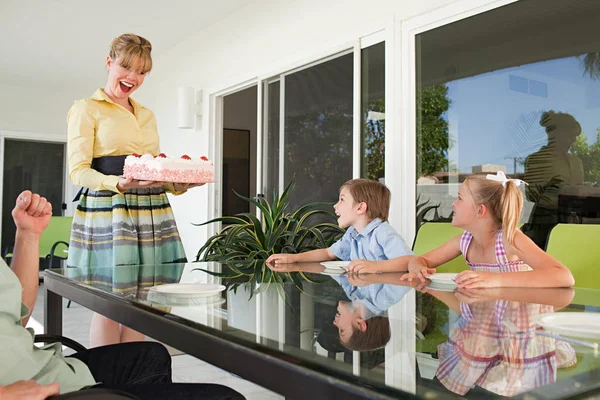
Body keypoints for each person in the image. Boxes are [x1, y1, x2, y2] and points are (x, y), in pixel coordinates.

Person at [0, 190, 243, 399]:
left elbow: (12, 315)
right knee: (227, 398)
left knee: (151, 356)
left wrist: (28, 236)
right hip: (31, 389)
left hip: (42, 369)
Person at [67, 33, 202, 347]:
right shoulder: (87, 108)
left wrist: (178, 184)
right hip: (110, 209)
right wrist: (118, 183)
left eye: (141, 72)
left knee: (144, 304)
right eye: (126, 67)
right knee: (110, 303)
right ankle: (108, 386)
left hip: (152, 210)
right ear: (109, 61)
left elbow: (151, 170)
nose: (133, 77)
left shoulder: (147, 115)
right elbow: (78, 171)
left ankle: (134, 382)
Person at [401, 171, 575, 288]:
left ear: (480, 210)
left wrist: (495, 279)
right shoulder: (464, 241)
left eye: (460, 198)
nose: (454, 203)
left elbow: (563, 276)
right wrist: (417, 267)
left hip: (518, 330)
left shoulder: (510, 239)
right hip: (488, 321)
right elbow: (421, 260)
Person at [266, 178, 413, 273]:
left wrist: (375, 267)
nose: (335, 206)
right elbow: (328, 253)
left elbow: (409, 261)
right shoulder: (352, 234)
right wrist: (293, 258)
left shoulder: (382, 232)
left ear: (360, 208)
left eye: (342, 200)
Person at [523, 110, 584, 249]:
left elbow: (580, 192)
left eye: (575, 136)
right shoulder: (536, 159)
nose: (574, 140)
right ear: (554, 134)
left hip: (572, 222)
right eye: (570, 135)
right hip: (543, 223)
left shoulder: (576, 162)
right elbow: (532, 195)